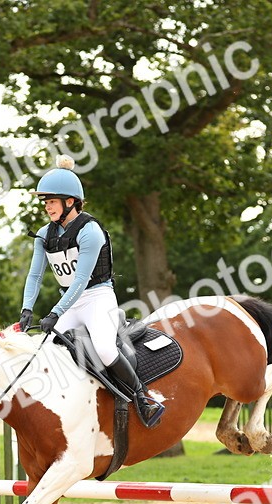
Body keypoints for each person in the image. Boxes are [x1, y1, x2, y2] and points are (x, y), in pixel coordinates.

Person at [18, 155, 164, 428]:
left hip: (97, 297)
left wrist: (54, 312)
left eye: (51, 201)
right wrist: (27, 308)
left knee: (105, 350)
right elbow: (35, 276)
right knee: (47, 350)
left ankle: (142, 397)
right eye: (45, 202)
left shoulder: (90, 231)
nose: (47, 206)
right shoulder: (44, 234)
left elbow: (81, 280)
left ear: (70, 202)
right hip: (69, 301)